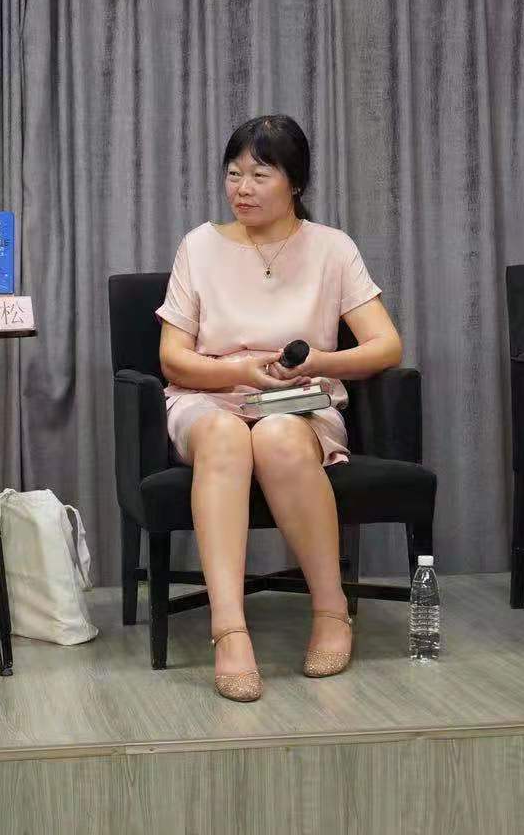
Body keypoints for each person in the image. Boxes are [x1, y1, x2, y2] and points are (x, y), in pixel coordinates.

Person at [156, 115, 403, 702]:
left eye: (259, 175)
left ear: (295, 183)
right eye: (233, 174)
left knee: (276, 436)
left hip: (298, 402)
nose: (241, 188)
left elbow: (386, 346)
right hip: (209, 397)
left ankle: (331, 611)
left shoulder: (332, 247)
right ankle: (229, 631)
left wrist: (320, 360)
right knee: (224, 434)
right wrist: (238, 371)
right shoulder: (199, 246)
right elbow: (173, 359)